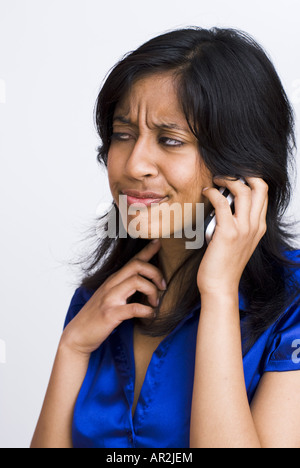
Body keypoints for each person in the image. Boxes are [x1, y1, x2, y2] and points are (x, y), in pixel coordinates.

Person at [31, 26, 300, 448]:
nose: (135, 164)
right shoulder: (98, 302)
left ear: (241, 163)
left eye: (170, 140)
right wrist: (73, 349)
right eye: (123, 135)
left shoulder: (293, 304)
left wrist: (218, 293)